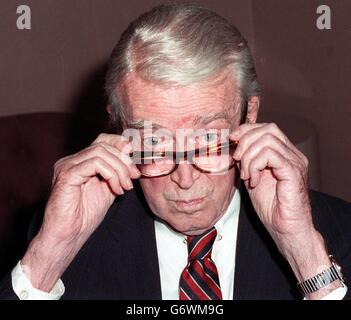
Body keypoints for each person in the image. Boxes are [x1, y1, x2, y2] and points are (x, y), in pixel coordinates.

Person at [0, 4, 350, 300]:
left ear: (250, 115)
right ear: (119, 128)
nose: (184, 178)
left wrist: (305, 255)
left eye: (209, 139)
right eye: (155, 142)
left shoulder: (336, 230)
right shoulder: (66, 233)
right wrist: (49, 258)